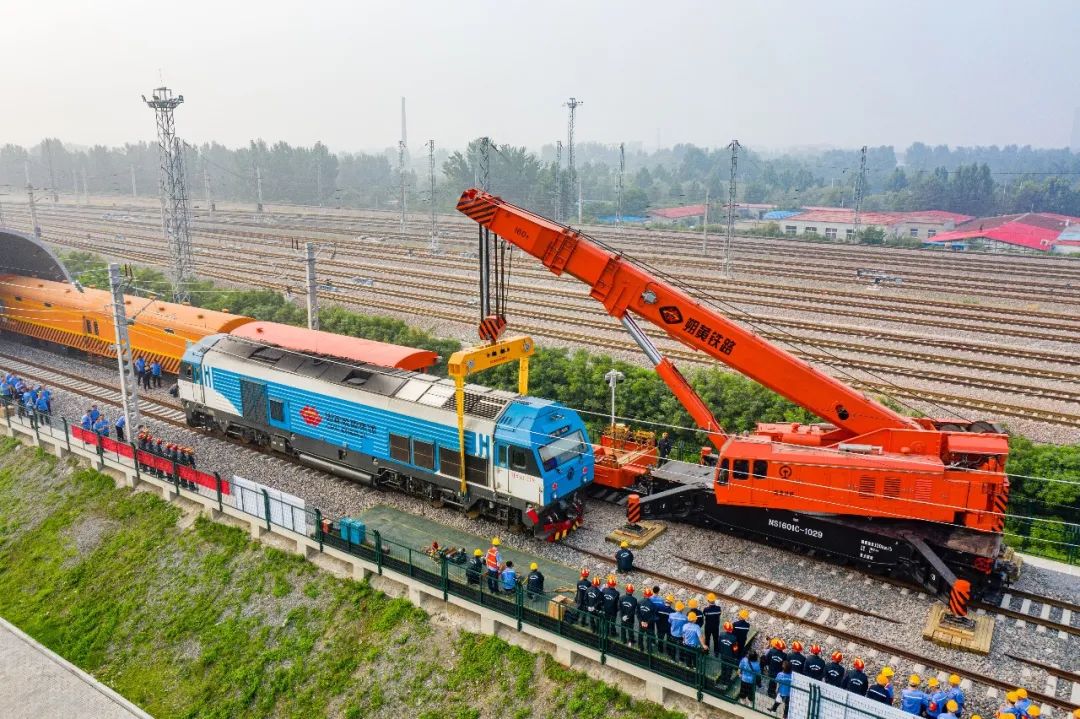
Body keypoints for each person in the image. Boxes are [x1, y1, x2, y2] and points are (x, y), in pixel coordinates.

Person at [717, 621, 741, 687]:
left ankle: (722, 680)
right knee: (729, 669)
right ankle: (727, 682)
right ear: (732, 629)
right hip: (731, 657)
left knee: (723, 667)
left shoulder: (721, 635)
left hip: (723, 655)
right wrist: (736, 656)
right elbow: (735, 649)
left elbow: (718, 644)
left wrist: (720, 651)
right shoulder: (734, 638)